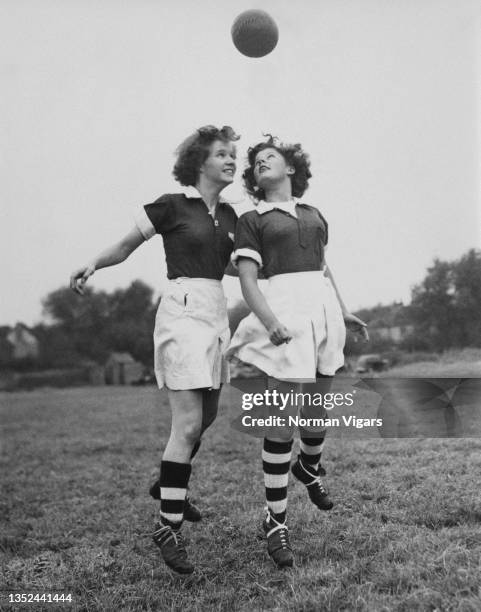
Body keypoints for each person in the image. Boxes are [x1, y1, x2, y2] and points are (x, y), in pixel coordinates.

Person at [70, 125, 240, 574]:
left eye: (233, 154)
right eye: (222, 154)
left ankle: (166, 482)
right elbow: (126, 246)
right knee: (186, 427)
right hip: (182, 313)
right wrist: (92, 264)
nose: (231, 160)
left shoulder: (232, 216)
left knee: (208, 417)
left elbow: (244, 269)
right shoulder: (171, 205)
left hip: (216, 312)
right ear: (200, 162)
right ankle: (168, 526)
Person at [226, 135, 368, 568]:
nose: (260, 164)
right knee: (282, 422)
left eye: (269, 157)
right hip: (285, 314)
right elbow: (248, 279)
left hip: (322, 312)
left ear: (291, 168)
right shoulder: (253, 219)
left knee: (317, 411)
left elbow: (324, 268)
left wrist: (344, 311)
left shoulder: (314, 214)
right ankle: (275, 522)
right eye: (255, 163)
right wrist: (269, 321)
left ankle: (308, 468)